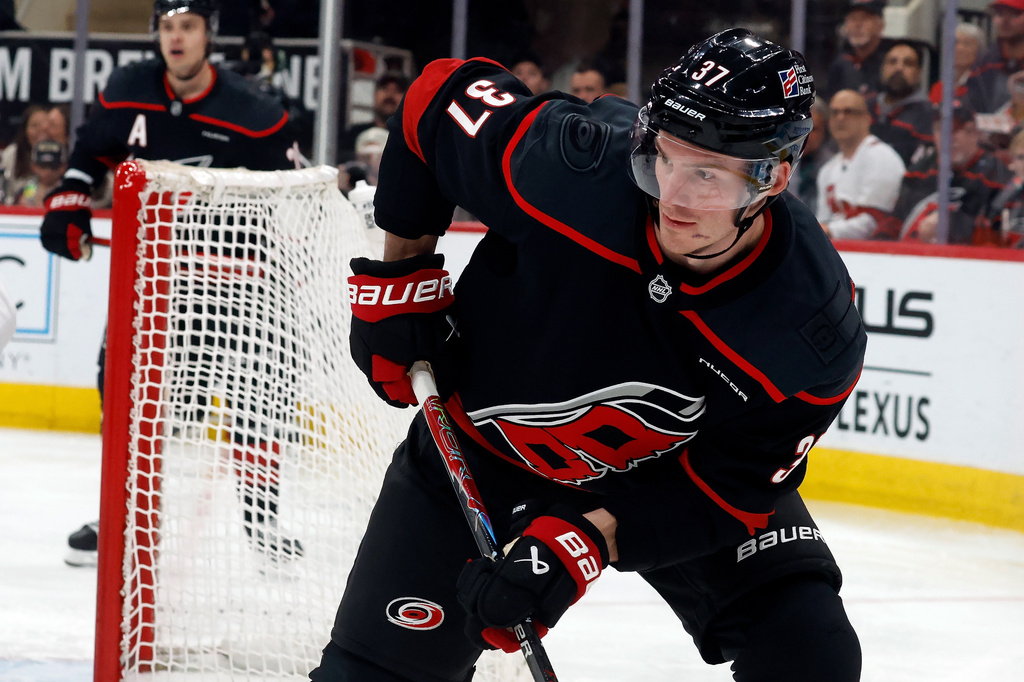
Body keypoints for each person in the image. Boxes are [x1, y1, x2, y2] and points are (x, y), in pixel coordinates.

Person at [312, 28, 866, 682]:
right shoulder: (571, 167)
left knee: (809, 653)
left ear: (774, 174)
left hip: (664, 470)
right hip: (484, 446)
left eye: (709, 175)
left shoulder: (807, 328)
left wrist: (585, 537)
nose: (676, 198)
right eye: (666, 157)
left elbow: (726, 487)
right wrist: (399, 280)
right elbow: (434, 98)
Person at [39, 0, 297, 568]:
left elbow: (296, 188)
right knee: (122, 389)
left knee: (257, 398)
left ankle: (262, 520)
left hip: (237, 286)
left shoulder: (251, 111)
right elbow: (88, 151)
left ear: (210, 34)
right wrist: (69, 204)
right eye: (167, 27)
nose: (176, 38)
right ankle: (119, 514)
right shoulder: (129, 88)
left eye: (188, 27)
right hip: (153, 279)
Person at [884, 101, 1011, 243]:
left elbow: (996, 235)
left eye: (957, 130)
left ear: (975, 133)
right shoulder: (918, 172)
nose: (949, 138)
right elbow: (895, 221)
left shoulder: (996, 176)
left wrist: (950, 226)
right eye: (941, 130)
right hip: (911, 256)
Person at [818, 90, 906, 239]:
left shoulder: (882, 157)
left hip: (875, 252)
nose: (840, 118)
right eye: (834, 112)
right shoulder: (827, 169)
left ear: (867, 119)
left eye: (849, 112)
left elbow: (874, 223)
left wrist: (829, 231)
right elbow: (822, 220)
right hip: (836, 249)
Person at [868, 41, 934, 166]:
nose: (899, 68)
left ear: (919, 73)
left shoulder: (928, 116)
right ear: (882, 68)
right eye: (892, 62)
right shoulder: (865, 108)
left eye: (908, 64)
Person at [826, 0, 898, 99]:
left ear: (880, 25)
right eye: (852, 19)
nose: (857, 25)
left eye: (865, 19)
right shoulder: (840, 64)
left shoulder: (893, 61)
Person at [964, 0, 1024, 115]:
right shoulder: (983, 65)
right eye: (1000, 14)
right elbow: (970, 111)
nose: (1005, 21)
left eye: (1015, 14)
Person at [337, 72, 409, 162]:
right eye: (384, 89)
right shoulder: (355, 133)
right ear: (375, 94)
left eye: (397, 91)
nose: (390, 95)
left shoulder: (408, 138)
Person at [789, 98, 836, 208]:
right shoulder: (779, 164)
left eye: (813, 129)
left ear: (824, 131)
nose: (806, 136)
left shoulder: (834, 166)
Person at [928, 22, 986, 105]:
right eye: (955, 43)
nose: (959, 49)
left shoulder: (983, 86)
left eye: (967, 44)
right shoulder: (938, 88)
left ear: (979, 51)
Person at [13, 140, 67, 207]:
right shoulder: (29, 188)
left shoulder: (67, 190)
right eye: (43, 166)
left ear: (63, 167)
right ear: (33, 166)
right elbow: (20, 209)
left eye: (53, 166)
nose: (48, 171)